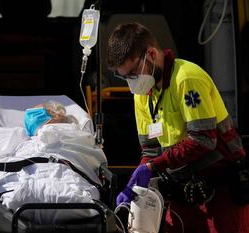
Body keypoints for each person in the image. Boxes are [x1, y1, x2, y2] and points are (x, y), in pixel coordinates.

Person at [106, 22, 249, 232]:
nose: (131, 83)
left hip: (221, 187)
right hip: (184, 189)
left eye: (134, 74)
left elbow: (203, 139)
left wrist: (153, 167)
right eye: (125, 77)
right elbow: (150, 149)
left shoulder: (187, 78)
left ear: (152, 54)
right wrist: (138, 177)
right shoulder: (142, 95)